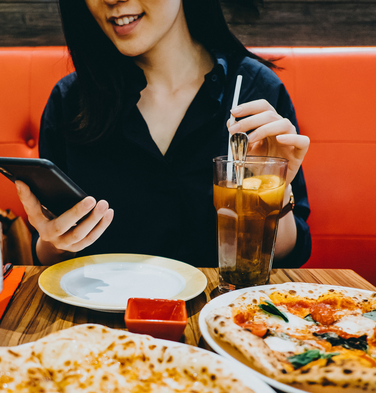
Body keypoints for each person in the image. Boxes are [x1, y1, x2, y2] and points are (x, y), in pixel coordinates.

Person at [15, 0, 311, 268]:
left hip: (221, 318)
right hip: (99, 323)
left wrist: (274, 188)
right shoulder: (71, 102)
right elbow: (45, 257)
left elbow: (286, 256)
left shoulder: (254, 90)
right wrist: (54, 240)